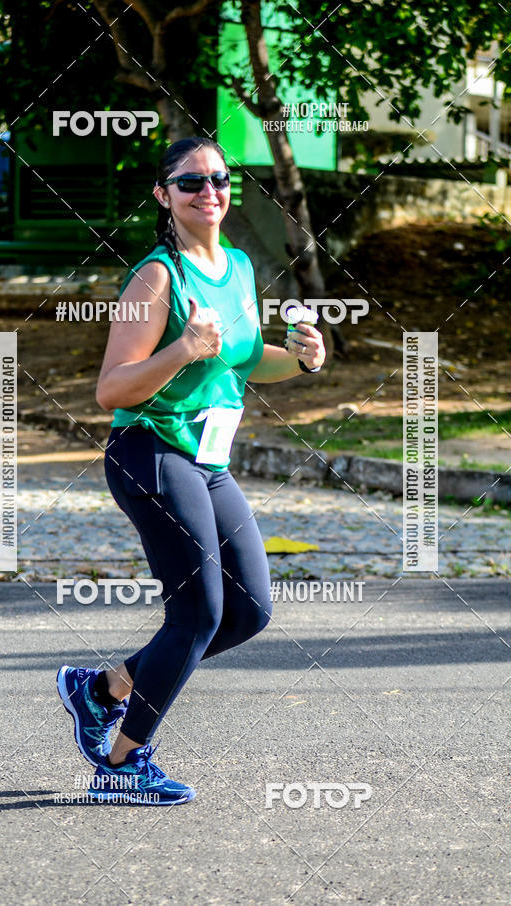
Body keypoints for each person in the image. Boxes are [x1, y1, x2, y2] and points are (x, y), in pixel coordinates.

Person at [57, 136, 325, 806]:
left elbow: (238, 360)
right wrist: (180, 348)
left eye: (219, 180)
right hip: (150, 451)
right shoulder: (155, 276)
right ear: (164, 195)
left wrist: (299, 359)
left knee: (250, 610)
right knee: (198, 611)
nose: (209, 192)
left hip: (207, 460)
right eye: (190, 183)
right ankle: (122, 763)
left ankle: (104, 689)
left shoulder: (236, 266)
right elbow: (112, 391)